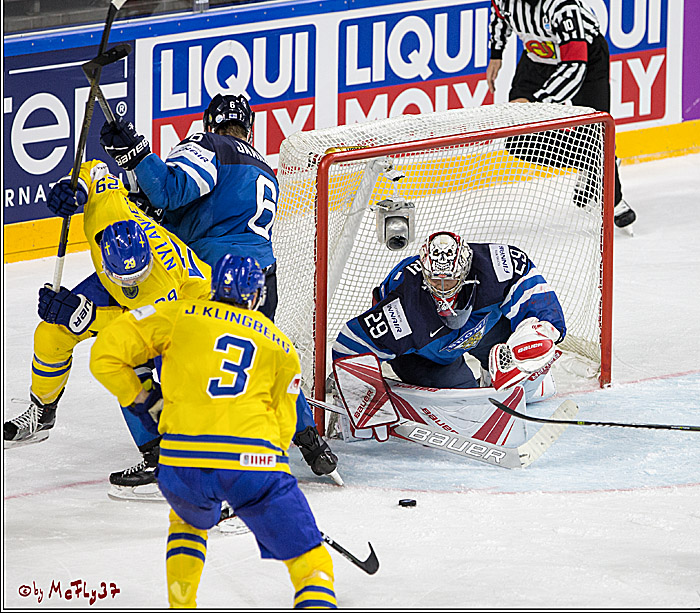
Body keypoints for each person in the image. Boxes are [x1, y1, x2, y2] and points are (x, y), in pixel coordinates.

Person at [99, 94, 340, 483]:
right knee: (261, 355)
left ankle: (163, 451)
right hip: (261, 277)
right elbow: (182, 208)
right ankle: (311, 442)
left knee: (152, 356)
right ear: (249, 127)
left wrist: (136, 154)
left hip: (212, 277)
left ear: (210, 124)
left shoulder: (208, 145)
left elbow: (167, 192)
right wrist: (133, 165)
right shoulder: (264, 167)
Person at [89, 254, 337, 608]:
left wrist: (145, 398)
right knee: (311, 562)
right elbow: (284, 427)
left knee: (187, 525)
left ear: (213, 286)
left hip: (181, 460)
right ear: (256, 295)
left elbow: (105, 354)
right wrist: (263, 485)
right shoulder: (282, 346)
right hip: (253, 463)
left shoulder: (177, 314)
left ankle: (182, 604)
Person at [3, 159, 212, 500]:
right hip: (122, 294)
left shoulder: (161, 281)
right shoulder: (108, 211)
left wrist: (84, 315)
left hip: (187, 315)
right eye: (123, 277)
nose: (130, 284)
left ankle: (170, 456)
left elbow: (139, 328)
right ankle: (42, 410)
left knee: (135, 367)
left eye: (135, 278)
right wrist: (75, 188)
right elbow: (96, 169)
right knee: (51, 333)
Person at [330, 231, 565, 440]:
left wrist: (544, 330)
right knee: (471, 412)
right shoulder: (403, 308)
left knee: (529, 374)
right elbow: (349, 345)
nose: (442, 289)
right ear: (424, 272)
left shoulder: (497, 266)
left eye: (450, 280)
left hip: (481, 327)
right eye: (435, 280)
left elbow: (534, 290)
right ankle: (463, 385)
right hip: (425, 353)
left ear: (465, 270)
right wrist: (364, 402)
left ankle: (493, 372)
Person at [486, 0, 636, 230]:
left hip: (586, 59)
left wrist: (538, 102)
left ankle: (614, 198)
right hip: (537, 56)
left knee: (595, 131)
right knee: (517, 139)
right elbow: (500, 18)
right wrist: (496, 54)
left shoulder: (561, 1)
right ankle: (594, 164)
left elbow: (574, 66)